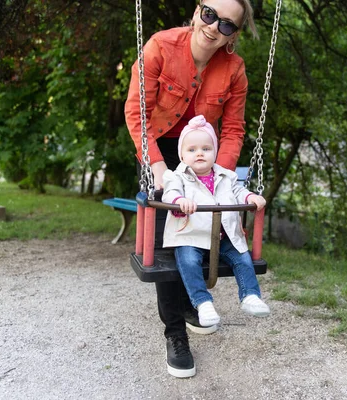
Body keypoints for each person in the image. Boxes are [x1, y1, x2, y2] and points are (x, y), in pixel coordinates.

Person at [124, 0, 259, 379]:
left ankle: (189, 302)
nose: (214, 26)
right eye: (209, 13)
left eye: (228, 25)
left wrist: (223, 178)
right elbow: (137, 113)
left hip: (205, 154)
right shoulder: (160, 47)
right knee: (168, 239)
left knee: (206, 224)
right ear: (198, 9)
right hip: (161, 147)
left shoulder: (234, 70)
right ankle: (175, 333)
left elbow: (232, 130)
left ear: (233, 36)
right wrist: (157, 167)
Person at [162, 115, 270, 328]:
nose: (199, 153)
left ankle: (250, 296)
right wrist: (179, 200)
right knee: (188, 261)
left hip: (223, 234)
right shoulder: (176, 177)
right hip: (190, 235)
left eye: (206, 148)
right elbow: (169, 194)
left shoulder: (226, 176)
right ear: (182, 155)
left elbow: (238, 190)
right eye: (191, 150)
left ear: (215, 151)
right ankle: (203, 303)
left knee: (242, 257)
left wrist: (250, 197)